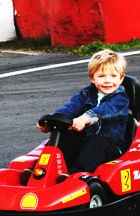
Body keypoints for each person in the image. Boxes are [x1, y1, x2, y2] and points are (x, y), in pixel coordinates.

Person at [33, 49, 129, 183]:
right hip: (85, 140)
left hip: (110, 147)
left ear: (121, 78)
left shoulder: (120, 99)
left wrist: (86, 118)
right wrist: (53, 119)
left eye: (113, 76)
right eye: (101, 76)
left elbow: (105, 110)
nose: (108, 81)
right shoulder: (86, 93)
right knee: (65, 137)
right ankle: (41, 171)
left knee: (97, 142)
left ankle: (75, 175)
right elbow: (72, 106)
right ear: (92, 78)